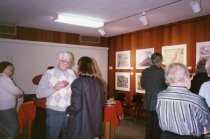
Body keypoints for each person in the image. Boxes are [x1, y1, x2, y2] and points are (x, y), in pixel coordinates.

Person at [156, 63, 210, 139]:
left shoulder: (160, 96)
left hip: (166, 136)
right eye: (189, 75)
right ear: (185, 78)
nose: (191, 78)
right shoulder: (196, 100)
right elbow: (208, 123)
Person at [36, 51, 76, 139]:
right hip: (54, 111)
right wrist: (54, 88)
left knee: (69, 136)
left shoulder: (72, 73)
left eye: (69, 62)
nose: (66, 64)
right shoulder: (48, 73)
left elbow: (74, 92)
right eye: (63, 61)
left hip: (69, 111)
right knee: (52, 136)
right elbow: (38, 94)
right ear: (57, 61)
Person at [65, 56, 105, 139]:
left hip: (80, 127)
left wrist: (67, 110)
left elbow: (76, 107)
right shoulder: (99, 82)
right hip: (95, 126)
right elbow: (102, 103)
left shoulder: (78, 82)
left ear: (80, 67)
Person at [141, 52, 167, 139]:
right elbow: (167, 85)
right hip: (159, 102)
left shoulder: (145, 71)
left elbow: (143, 85)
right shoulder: (162, 72)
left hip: (148, 102)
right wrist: (165, 70)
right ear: (160, 61)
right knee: (157, 125)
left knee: (149, 124)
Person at [0, 61, 23, 139]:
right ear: (3, 69)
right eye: (10, 68)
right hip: (6, 108)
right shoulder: (4, 78)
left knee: (3, 126)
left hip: (2, 107)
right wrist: (21, 93)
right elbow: (15, 90)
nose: (12, 70)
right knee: (13, 126)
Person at [32, 66, 54, 139]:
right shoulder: (44, 76)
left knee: (43, 123)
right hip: (43, 104)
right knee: (40, 123)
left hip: (49, 105)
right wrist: (44, 74)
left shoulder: (56, 77)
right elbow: (34, 80)